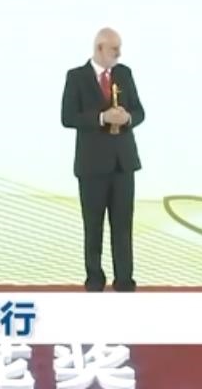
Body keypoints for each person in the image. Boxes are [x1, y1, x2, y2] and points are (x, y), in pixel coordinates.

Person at [60, 27, 145, 292]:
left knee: (123, 226)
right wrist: (101, 118)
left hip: (123, 163)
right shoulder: (77, 76)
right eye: (114, 49)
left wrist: (127, 118)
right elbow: (68, 117)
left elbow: (139, 111)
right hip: (92, 165)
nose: (119, 54)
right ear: (99, 48)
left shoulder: (124, 73)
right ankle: (95, 278)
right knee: (93, 226)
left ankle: (124, 280)